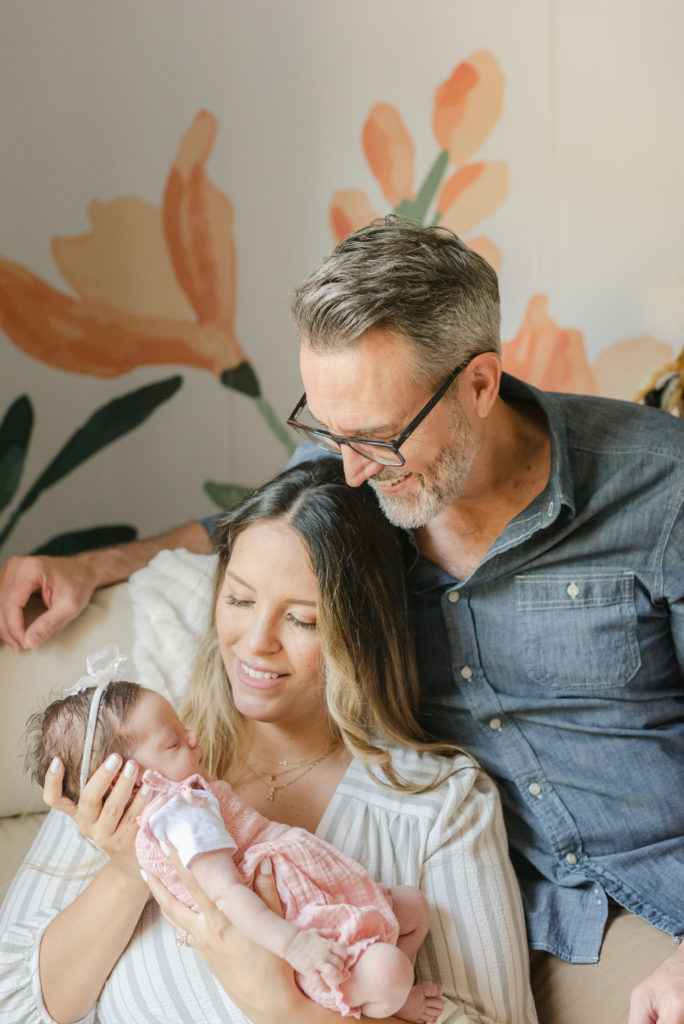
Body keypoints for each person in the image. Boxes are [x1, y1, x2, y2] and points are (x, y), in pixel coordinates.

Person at [4, 216, 681, 1023]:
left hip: (649, 904)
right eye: (325, 429)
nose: (349, 467)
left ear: (480, 383)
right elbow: (255, 537)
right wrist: (97, 564)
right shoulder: (353, 473)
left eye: (377, 439)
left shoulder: (659, 491)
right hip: (502, 903)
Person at [0, 458, 536, 1024]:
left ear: (362, 633)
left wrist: (287, 1010)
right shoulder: (132, 758)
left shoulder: (439, 808)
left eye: (301, 620)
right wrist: (129, 870)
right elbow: (12, 1002)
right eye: (239, 600)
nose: (256, 644)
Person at [25, 659, 442, 1021]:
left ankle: (381, 998)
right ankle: (359, 993)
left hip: (314, 892)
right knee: (391, 970)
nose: (193, 737)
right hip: (292, 929)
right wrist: (295, 946)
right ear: (131, 786)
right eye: (173, 742)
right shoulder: (181, 815)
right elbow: (227, 895)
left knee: (413, 908)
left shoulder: (193, 795)